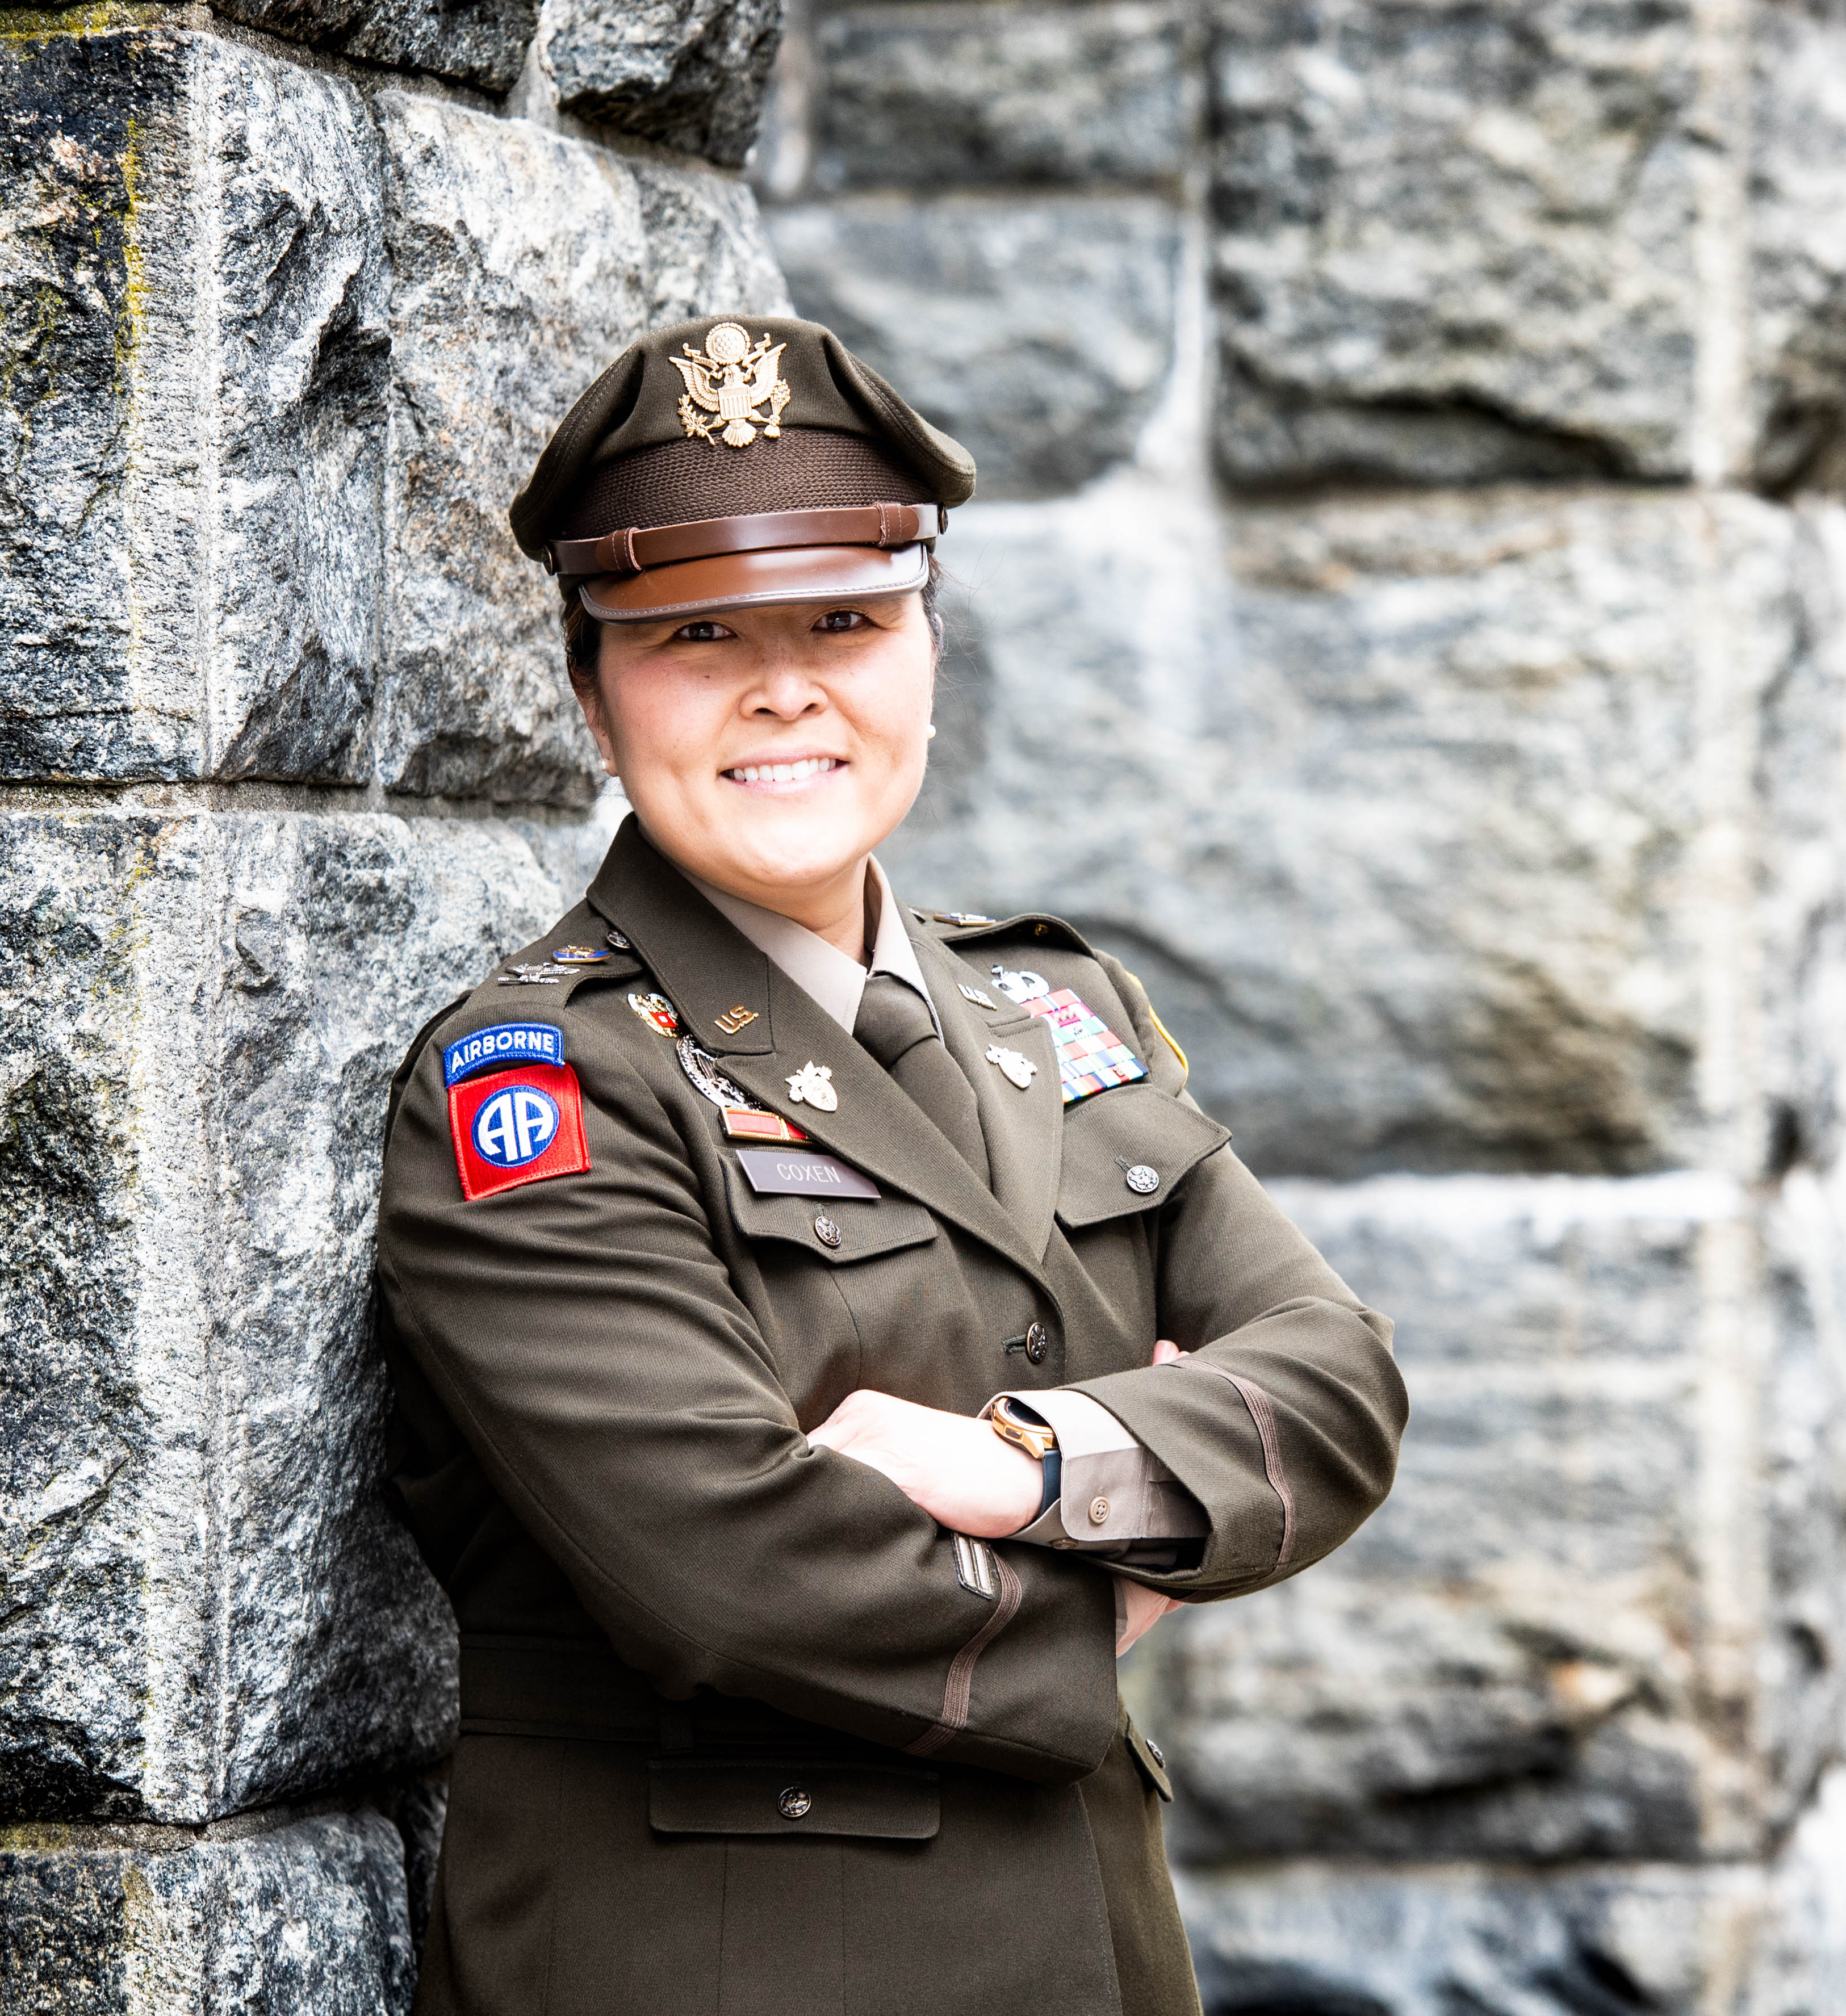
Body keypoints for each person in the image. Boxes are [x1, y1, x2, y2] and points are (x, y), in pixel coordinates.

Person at [372, 313, 1408, 2016]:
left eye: (846, 621)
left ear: (932, 648)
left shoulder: (1059, 1010)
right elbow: (725, 1571)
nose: (786, 690)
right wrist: (1127, 1590)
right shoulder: (543, 1080)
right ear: (587, 686)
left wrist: (1037, 1470)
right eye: (697, 632)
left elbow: (1338, 1382)